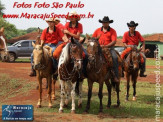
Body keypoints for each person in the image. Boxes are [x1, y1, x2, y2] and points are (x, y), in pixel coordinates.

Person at [53, 11, 88, 77]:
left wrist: (69, 32)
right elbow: (64, 34)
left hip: (77, 42)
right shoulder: (67, 24)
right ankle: (57, 70)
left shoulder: (80, 25)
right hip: (68, 41)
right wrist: (67, 40)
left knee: (85, 55)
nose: (71, 18)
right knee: (55, 53)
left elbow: (77, 36)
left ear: (76, 18)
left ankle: (83, 72)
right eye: (70, 17)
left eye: (73, 17)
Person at [92, 16, 119, 82]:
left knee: (115, 58)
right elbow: (93, 39)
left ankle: (115, 75)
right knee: (90, 57)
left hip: (110, 48)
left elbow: (114, 41)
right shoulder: (97, 30)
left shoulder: (112, 31)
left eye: (106, 23)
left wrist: (105, 46)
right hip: (99, 48)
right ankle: (88, 73)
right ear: (102, 23)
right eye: (104, 23)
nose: (105, 24)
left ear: (109, 23)